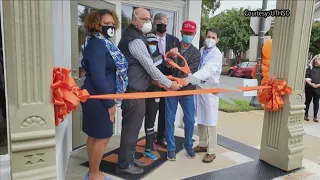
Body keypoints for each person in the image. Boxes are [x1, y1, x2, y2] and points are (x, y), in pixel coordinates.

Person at [117, 8, 182, 174]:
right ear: (134, 20)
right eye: (144, 19)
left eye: (149, 19)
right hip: (134, 93)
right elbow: (150, 66)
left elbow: (145, 68)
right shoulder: (135, 40)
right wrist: (169, 84)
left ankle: (129, 159)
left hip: (138, 91)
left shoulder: (136, 36)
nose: (148, 23)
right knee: (131, 131)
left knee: (132, 129)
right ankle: (124, 165)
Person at [80, 9, 127, 180]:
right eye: (106, 24)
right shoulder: (97, 45)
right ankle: (94, 174)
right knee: (102, 137)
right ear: (96, 24)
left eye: (112, 23)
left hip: (96, 97)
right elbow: (99, 77)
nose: (110, 26)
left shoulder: (100, 43)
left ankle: (93, 171)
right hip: (100, 99)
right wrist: (111, 104)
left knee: (94, 136)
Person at [165, 20, 201, 161]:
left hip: (187, 91)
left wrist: (181, 82)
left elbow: (190, 73)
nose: (187, 36)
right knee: (169, 119)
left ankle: (188, 145)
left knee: (190, 120)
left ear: (194, 34)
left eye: (190, 33)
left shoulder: (196, 53)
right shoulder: (172, 47)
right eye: (185, 33)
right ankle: (171, 148)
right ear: (181, 33)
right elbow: (165, 67)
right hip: (171, 89)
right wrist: (171, 58)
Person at [192, 28, 223, 163]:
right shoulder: (202, 50)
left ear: (217, 40)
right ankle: (203, 144)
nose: (210, 39)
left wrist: (192, 78)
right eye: (208, 36)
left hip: (210, 89)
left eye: (213, 37)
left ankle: (212, 151)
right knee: (201, 116)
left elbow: (208, 69)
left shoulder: (216, 54)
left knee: (210, 120)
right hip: (199, 87)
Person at [152, 13, 180, 149]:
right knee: (150, 111)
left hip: (168, 82)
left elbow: (179, 61)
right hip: (152, 82)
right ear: (154, 23)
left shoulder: (174, 41)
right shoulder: (148, 39)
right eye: (159, 22)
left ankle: (161, 137)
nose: (162, 25)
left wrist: (172, 62)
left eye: (165, 22)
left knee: (164, 111)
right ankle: (149, 138)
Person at [304, 54, 320, 122]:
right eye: (315, 59)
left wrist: (318, 85)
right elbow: (307, 76)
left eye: (318, 59)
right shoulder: (310, 67)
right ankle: (306, 114)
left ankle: (315, 116)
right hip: (309, 88)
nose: (316, 61)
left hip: (318, 88)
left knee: (316, 102)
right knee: (307, 101)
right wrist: (311, 83)